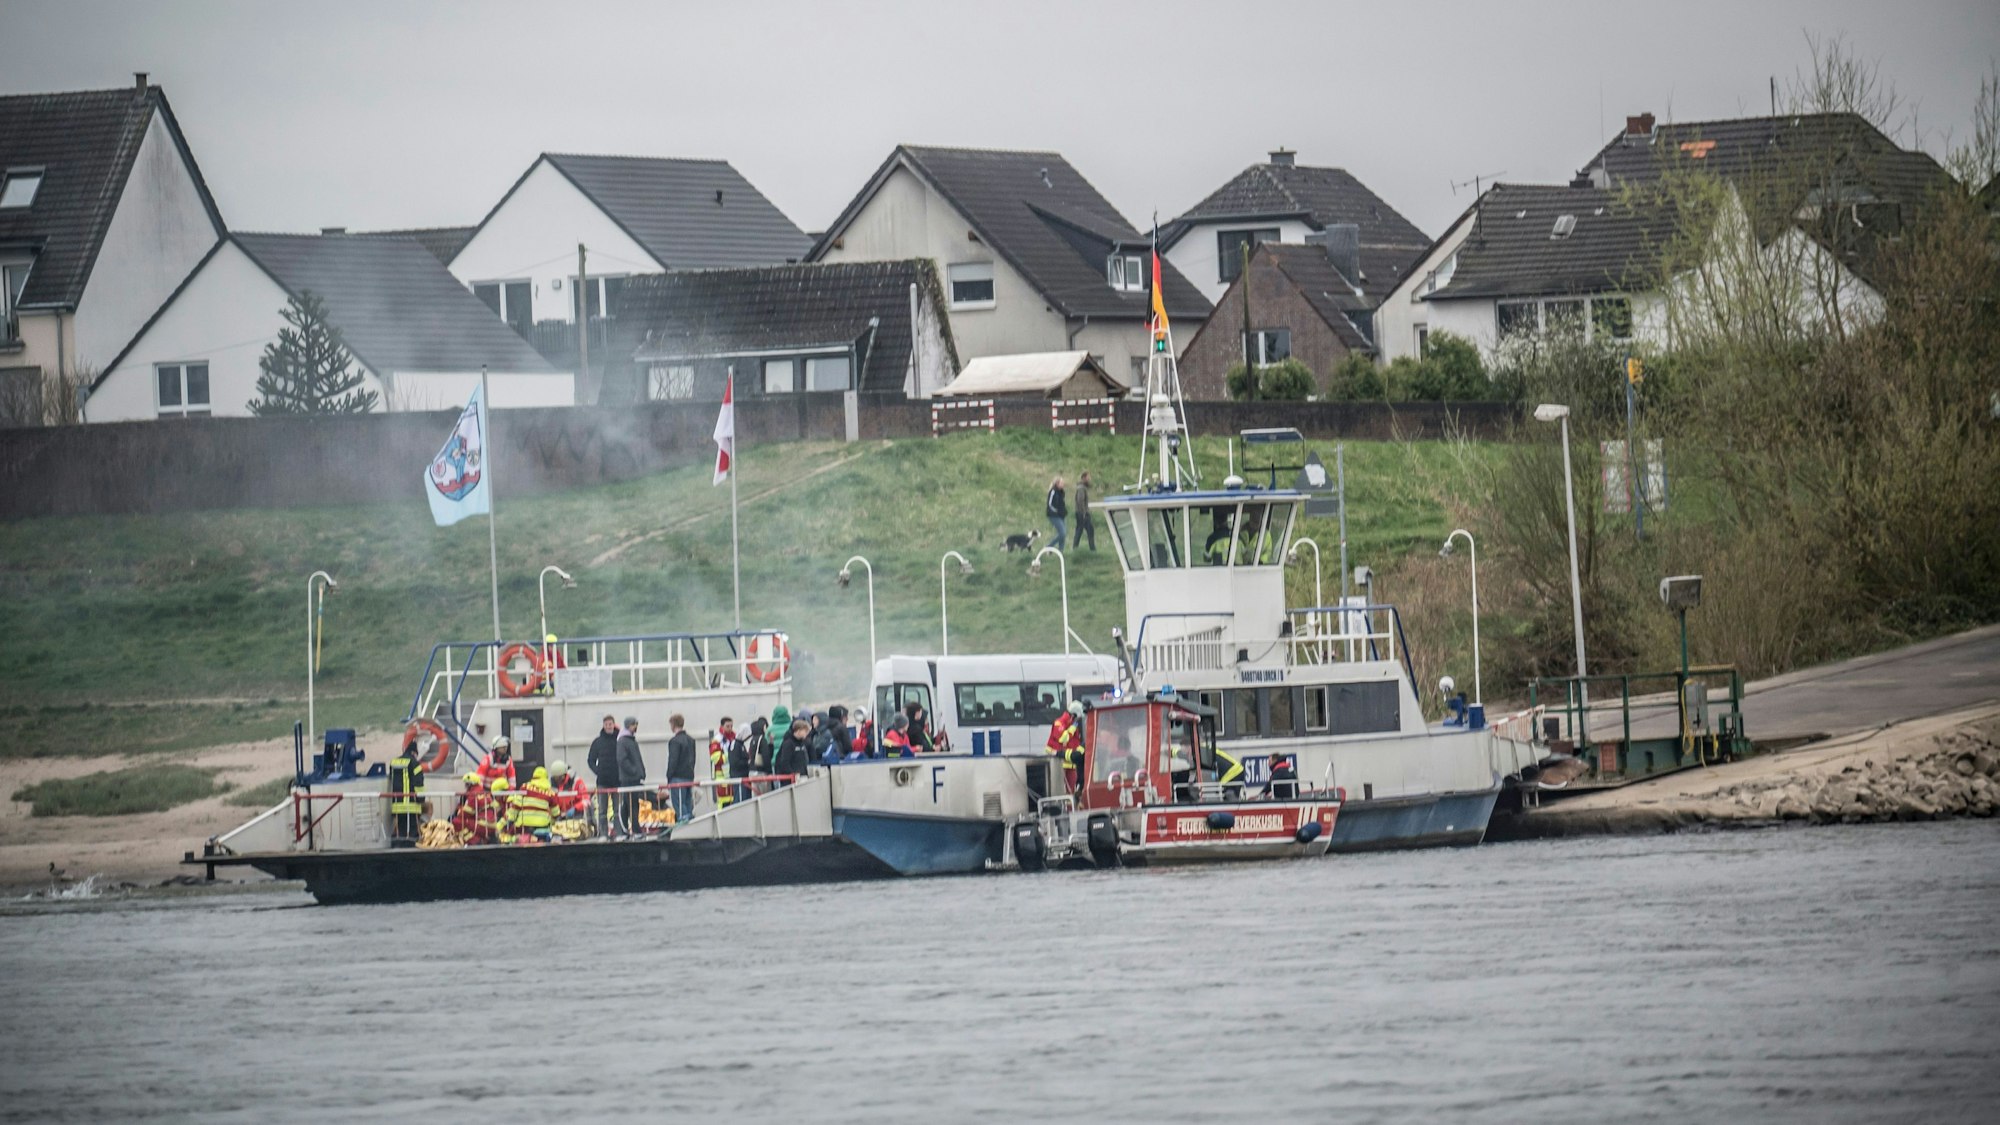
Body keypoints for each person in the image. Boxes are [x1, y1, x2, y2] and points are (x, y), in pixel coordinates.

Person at [585, 714, 621, 837]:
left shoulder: (620, 740)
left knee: (618, 810)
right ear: (603, 726)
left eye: (610, 724)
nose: (608, 726)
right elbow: (590, 760)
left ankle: (618, 833)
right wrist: (598, 771)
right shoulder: (598, 742)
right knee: (602, 811)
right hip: (602, 781)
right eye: (606, 724)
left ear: (614, 724)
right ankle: (603, 834)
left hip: (617, 781)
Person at [386, 739, 426, 847]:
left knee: (400, 827)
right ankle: (410, 846)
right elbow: (419, 784)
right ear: (414, 752)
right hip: (411, 803)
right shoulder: (415, 763)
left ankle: (398, 845)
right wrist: (421, 799)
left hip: (397, 804)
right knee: (412, 829)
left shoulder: (394, 762)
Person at [505, 766, 558, 844]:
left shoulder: (525, 787)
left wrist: (510, 820)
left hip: (524, 826)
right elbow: (556, 813)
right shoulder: (551, 793)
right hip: (542, 827)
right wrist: (552, 824)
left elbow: (516, 805)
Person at [617, 717, 649, 835]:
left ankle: (626, 830)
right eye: (634, 724)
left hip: (633, 778)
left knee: (629, 804)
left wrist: (641, 771)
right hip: (629, 779)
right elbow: (622, 759)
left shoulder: (630, 740)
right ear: (628, 726)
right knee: (631, 805)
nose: (635, 727)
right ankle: (635, 830)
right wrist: (635, 771)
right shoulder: (623, 741)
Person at [664, 713, 696, 824]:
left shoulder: (674, 741)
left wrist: (669, 776)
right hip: (689, 776)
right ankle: (691, 824)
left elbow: (673, 761)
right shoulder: (691, 740)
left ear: (673, 724)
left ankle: (684, 825)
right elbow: (693, 759)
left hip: (677, 777)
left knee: (679, 804)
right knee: (688, 802)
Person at [450, 772, 493, 845]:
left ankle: (475, 841)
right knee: (468, 821)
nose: (465, 786)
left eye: (466, 784)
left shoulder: (473, 795)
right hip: (491, 824)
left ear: (470, 784)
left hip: (482, 825)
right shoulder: (485, 793)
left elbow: (465, 814)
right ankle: (482, 839)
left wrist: (458, 812)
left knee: (456, 822)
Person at [774, 717, 813, 783]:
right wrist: (793, 774)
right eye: (805, 731)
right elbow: (784, 762)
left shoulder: (802, 743)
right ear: (798, 730)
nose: (807, 733)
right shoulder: (788, 744)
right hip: (791, 779)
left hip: (802, 776)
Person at [708, 723, 736, 810]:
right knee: (724, 801)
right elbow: (716, 758)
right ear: (722, 726)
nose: (730, 728)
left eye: (731, 726)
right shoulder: (717, 740)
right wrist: (730, 755)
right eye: (727, 726)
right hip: (721, 776)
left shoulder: (734, 738)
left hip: (732, 775)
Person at [725, 719, 753, 803]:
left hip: (743, 777)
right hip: (738, 777)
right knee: (740, 800)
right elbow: (735, 762)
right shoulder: (736, 745)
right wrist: (747, 762)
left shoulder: (740, 744)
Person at [743, 716, 773, 796]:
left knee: (755, 796)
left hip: (752, 772)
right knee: (765, 796)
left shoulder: (752, 739)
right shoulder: (762, 739)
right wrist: (769, 772)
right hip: (761, 772)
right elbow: (766, 756)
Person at [1072, 470, 1096, 552]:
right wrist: (1084, 513)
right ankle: (1092, 549)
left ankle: (1075, 548)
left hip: (1081, 513)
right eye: (1088, 477)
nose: (1089, 479)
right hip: (1082, 513)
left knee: (1081, 530)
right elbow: (1080, 501)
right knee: (1087, 530)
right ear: (1084, 478)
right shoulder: (1081, 488)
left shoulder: (1082, 488)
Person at [488, 778, 514, 843]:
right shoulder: (502, 799)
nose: (496, 797)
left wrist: (498, 827)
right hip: (507, 825)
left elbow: (509, 815)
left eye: (496, 795)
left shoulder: (512, 798)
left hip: (513, 825)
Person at [1045, 475, 1068, 551]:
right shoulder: (1053, 491)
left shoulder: (1061, 492)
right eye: (1062, 482)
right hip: (1053, 515)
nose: (1063, 484)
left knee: (1063, 535)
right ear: (1057, 483)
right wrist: (1056, 511)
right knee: (1062, 533)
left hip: (1062, 515)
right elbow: (1050, 504)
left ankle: (1061, 552)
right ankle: (1049, 547)